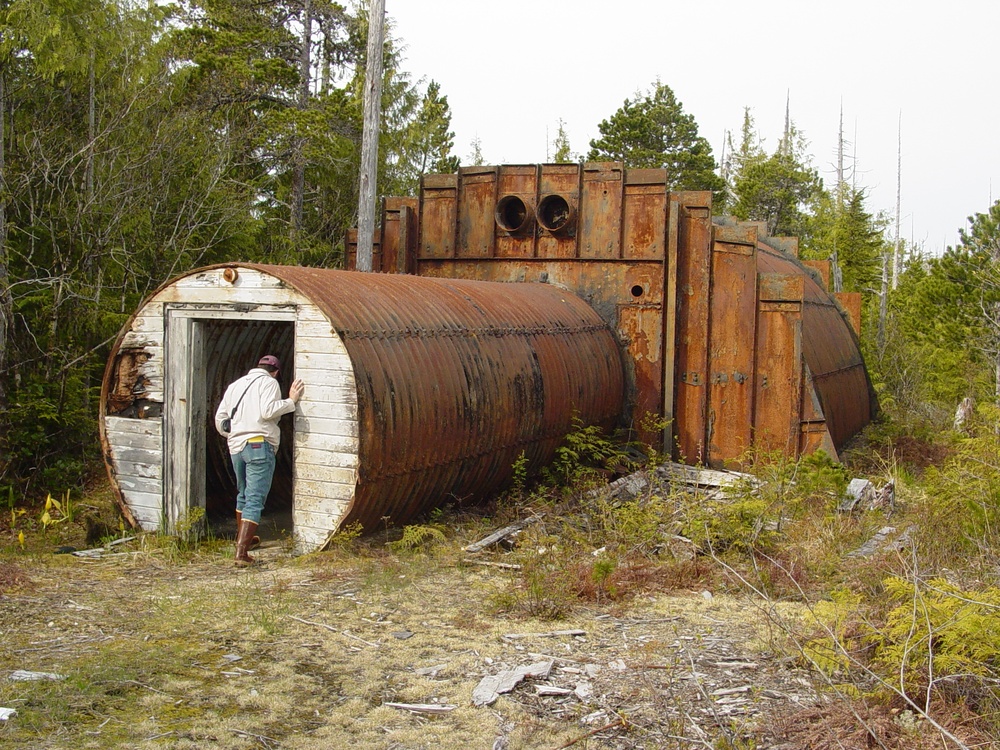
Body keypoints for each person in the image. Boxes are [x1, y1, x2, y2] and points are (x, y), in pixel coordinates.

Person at [215, 355, 304, 567]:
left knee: (243, 494)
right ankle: (241, 553)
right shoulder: (269, 382)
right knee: (255, 498)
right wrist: (291, 401)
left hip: (236, 446)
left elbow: (220, 420)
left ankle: (245, 540)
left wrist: (236, 434)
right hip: (258, 445)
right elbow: (268, 411)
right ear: (275, 372)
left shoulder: (235, 385)